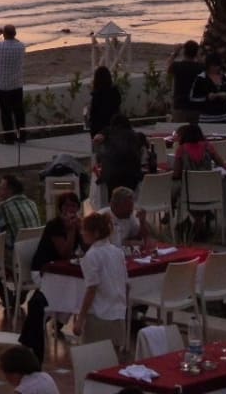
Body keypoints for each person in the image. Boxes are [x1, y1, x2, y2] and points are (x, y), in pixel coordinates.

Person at [72, 212, 127, 349]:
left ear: (95, 233)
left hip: (99, 316)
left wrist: (80, 319)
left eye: (85, 230)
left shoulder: (91, 256)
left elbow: (91, 289)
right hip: (118, 315)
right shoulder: (117, 252)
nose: (82, 233)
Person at [0, 25, 27, 144]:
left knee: (6, 113)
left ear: (4, 34)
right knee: (19, 112)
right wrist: (9, 35)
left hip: (2, 85)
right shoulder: (21, 46)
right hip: (16, 84)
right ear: (15, 34)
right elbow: (17, 41)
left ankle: (9, 138)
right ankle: (21, 137)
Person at [93, 115, 146, 195]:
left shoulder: (109, 131)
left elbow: (96, 139)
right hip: (132, 178)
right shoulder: (135, 135)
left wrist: (100, 154)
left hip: (111, 178)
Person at [0, 174, 41, 265]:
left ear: (10, 190)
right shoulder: (32, 203)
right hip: (36, 253)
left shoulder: (3, 207)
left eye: (1, 188)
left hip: (16, 257)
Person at [32, 192, 83, 270]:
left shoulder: (78, 223)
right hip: (44, 268)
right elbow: (64, 255)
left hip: (62, 266)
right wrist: (71, 230)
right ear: (60, 208)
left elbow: (87, 249)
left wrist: (82, 231)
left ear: (77, 208)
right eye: (66, 205)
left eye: (73, 205)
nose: (70, 209)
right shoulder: (54, 225)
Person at [167, 40, 204, 123]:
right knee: (195, 131)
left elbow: (169, 64)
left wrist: (175, 52)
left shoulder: (177, 66)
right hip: (196, 106)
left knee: (181, 131)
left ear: (184, 52)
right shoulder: (200, 68)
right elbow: (206, 67)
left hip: (180, 105)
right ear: (196, 53)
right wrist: (198, 55)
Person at [189, 53, 226, 123]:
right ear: (208, 65)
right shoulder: (201, 78)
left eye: (217, 65)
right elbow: (193, 98)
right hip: (206, 117)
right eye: (213, 65)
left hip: (224, 117)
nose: (215, 68)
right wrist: (207, 98)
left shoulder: (225, 77)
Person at [87, 66, 121, 140]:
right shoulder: (114, 92)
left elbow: (93, 115)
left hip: (99, 128)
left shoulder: (96, 95)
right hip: (114, 126)